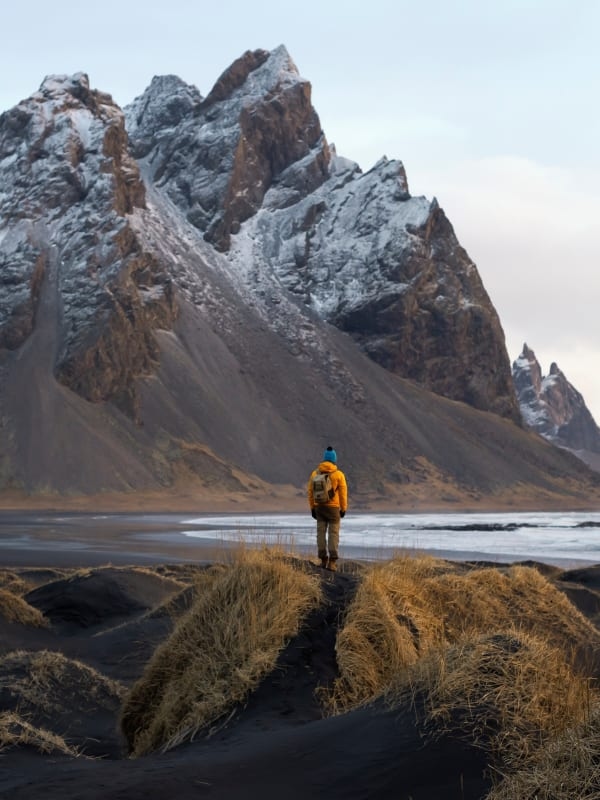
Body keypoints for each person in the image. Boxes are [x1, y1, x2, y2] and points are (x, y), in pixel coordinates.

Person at [307, 446, 348, 572]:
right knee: (333, 534)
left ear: (324, 458)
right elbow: (343, 494)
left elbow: (310, 492)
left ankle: (323, 559)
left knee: (320, 533)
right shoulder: (339, 475)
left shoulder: (315, 474)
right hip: (333, 509)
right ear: (334, 459)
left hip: (319, 507)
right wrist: (343, 509)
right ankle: (332, 562)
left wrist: (312, 508)